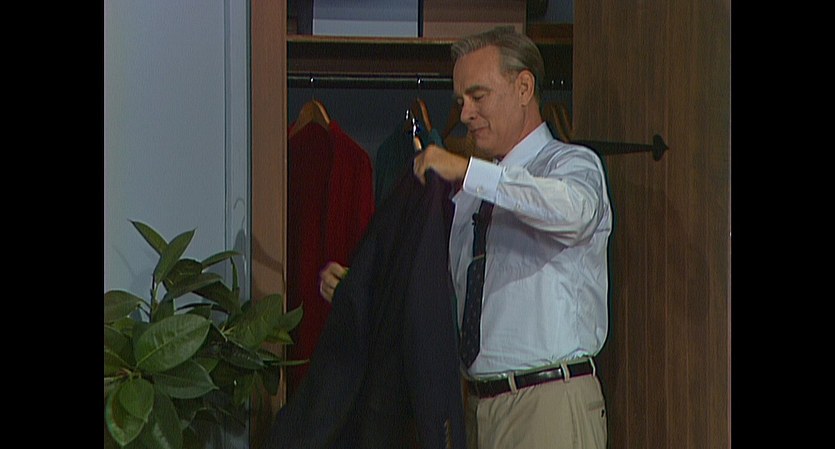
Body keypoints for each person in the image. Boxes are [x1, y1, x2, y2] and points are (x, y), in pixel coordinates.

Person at [320, 26, 612, 449]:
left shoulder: (571, 166)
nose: (465, 114)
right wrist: (361, 290)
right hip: (475, 409)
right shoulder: (471, 197)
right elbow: (439, 290)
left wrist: (469, 171)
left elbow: (573, 212)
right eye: (460, 101)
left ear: (524, 87)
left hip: (549, 405)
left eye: (478, 96)